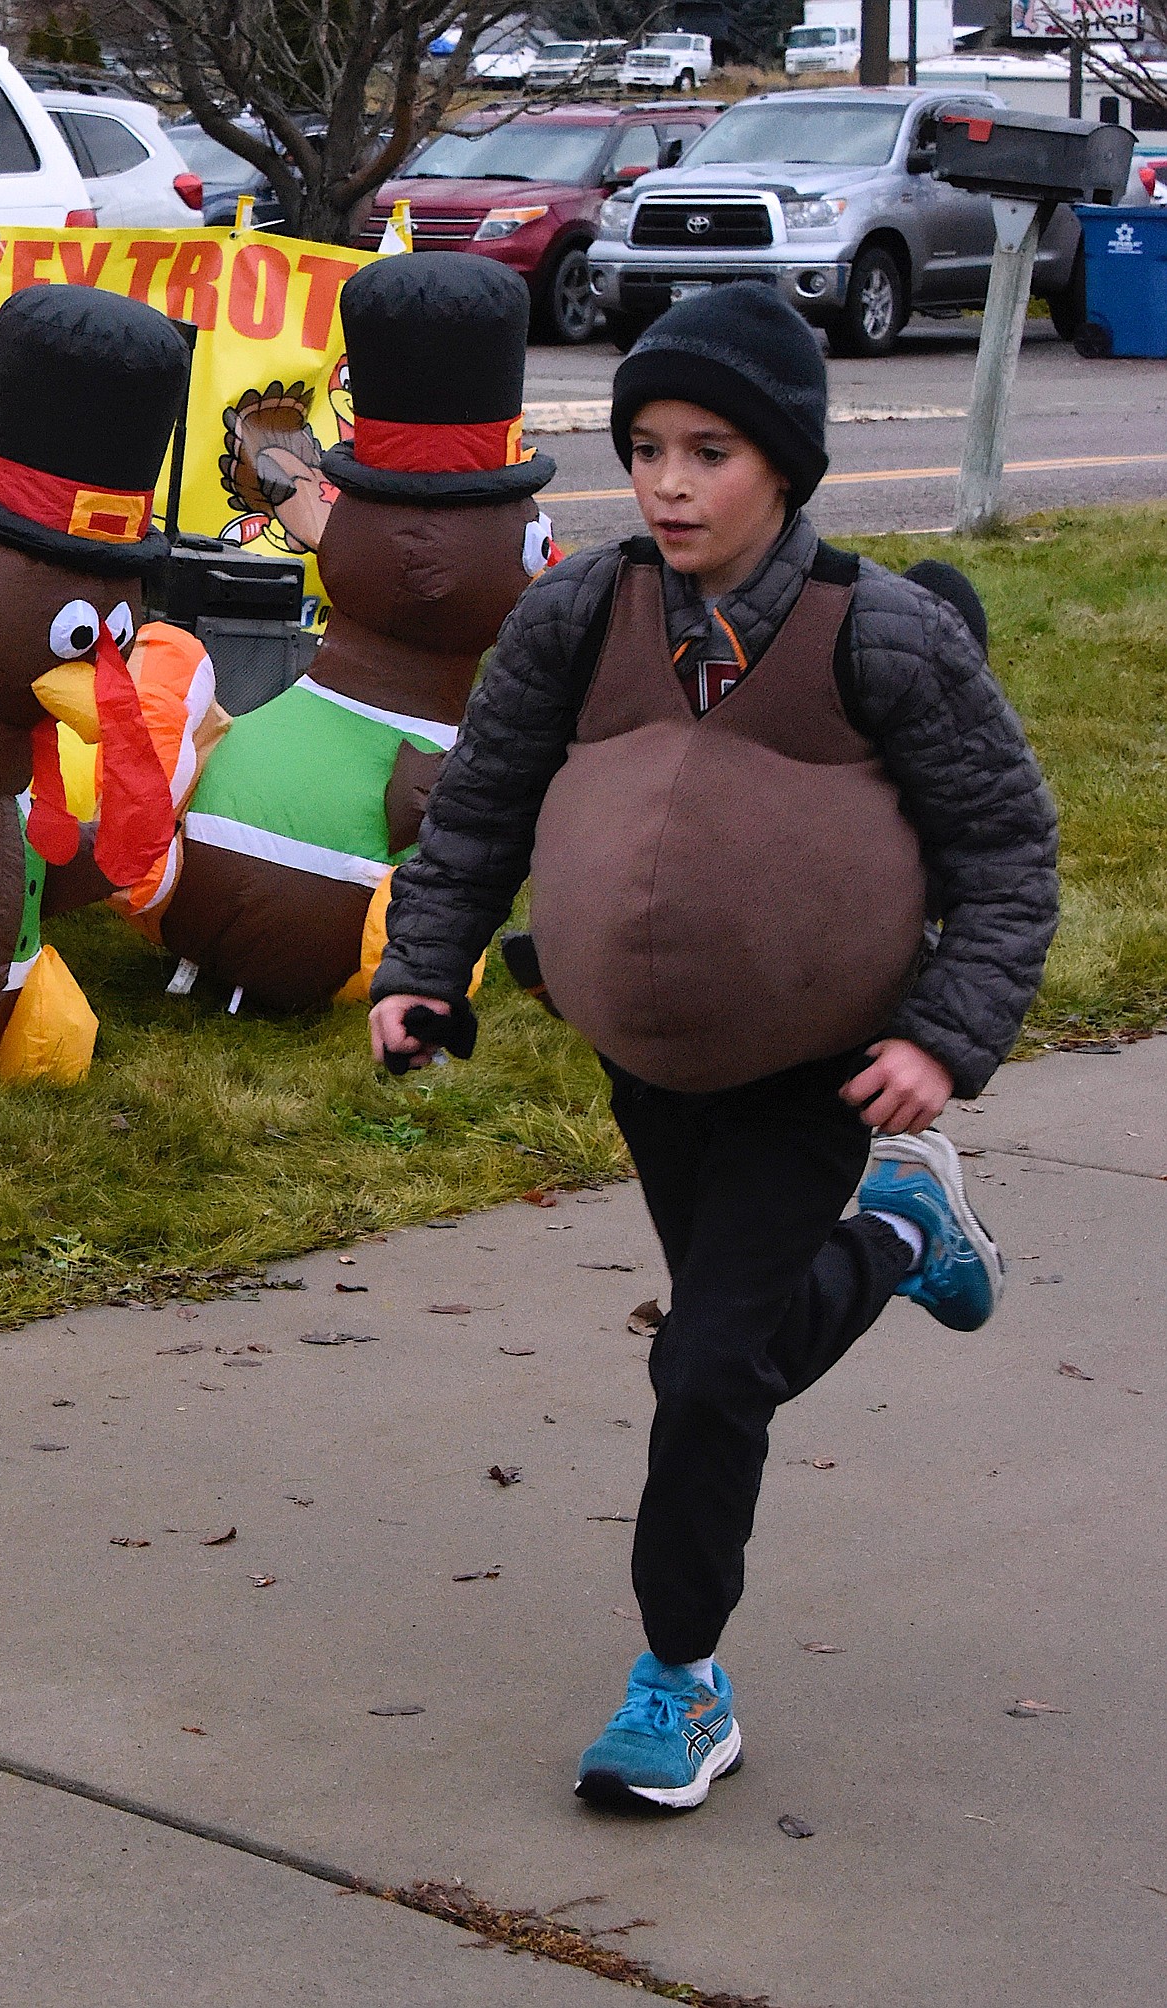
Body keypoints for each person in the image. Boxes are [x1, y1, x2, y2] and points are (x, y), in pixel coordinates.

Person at [367, 284, 1058, 1814]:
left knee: (704, 1371)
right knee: (725, 1357)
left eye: (709, 451)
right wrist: (423, 968)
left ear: (789, 466)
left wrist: (946, 1036)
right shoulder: (578, 615)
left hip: (818, 1063)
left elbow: (1006, 851)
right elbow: (479, 805)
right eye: (644, 448)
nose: (668, 484)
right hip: (646, 1057)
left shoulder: (876, 634)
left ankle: (677, 1682)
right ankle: (898, 1232)